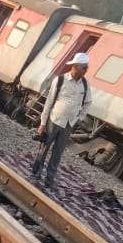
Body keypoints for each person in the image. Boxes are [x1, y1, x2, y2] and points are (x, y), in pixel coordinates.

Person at [32, 53, 92, 186]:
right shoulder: (60, 80)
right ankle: (36, 173)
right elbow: (49, 102)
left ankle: (49, 179)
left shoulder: (85, 85)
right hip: (54, 120)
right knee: (44, 148)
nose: (86, 70)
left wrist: (79, 117)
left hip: (69, 124)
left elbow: (88, 103)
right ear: (75, 66)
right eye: (84, 68)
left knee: (57, 153)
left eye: (87, 68)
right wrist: (42, 123)